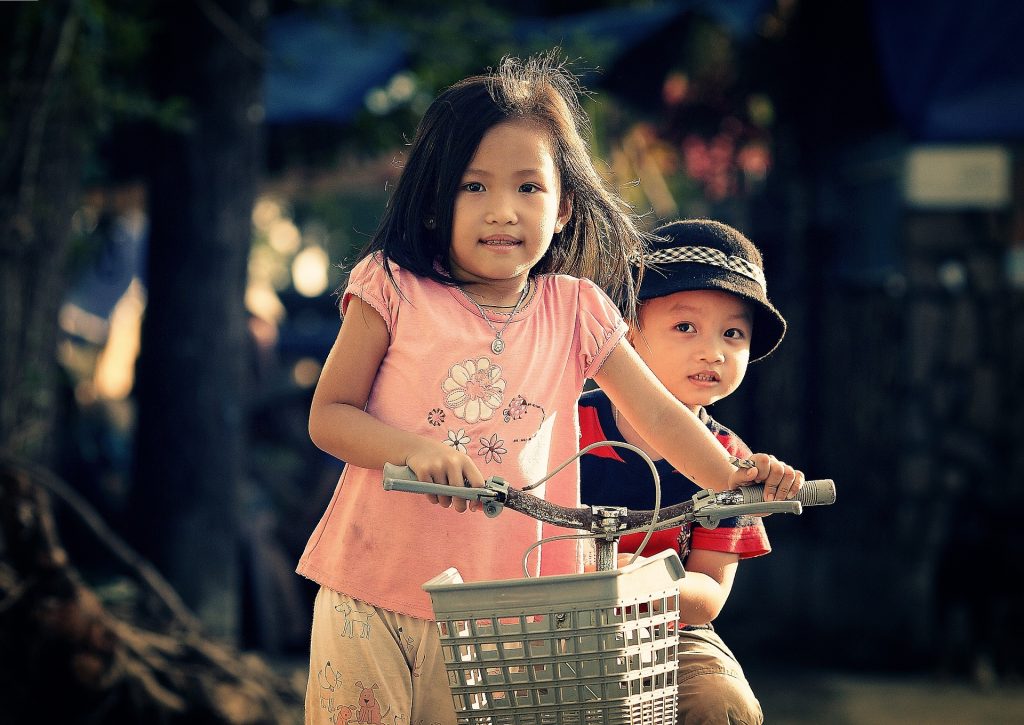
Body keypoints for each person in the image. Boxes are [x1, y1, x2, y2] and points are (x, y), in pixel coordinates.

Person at [297, 53, 799, 724]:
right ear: (432, 197)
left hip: (500, 614)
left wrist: (738, 477)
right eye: (473, 187)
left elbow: (658, 415)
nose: (502, 211)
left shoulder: (577, 308)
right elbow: (330, 416)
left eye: (528, 188)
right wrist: (413, 450)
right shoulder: (390, 285)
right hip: (371, 588)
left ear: (563, 206)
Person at [579, 218, 802, 724]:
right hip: (553, 618)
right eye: (685, 327)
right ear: (630, 332)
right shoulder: (564, 425)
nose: (713, 351)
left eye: (732, 333)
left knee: (723, 704)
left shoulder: (729, 462)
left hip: (671, 632)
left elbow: (705, 597)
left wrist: (624, 583)